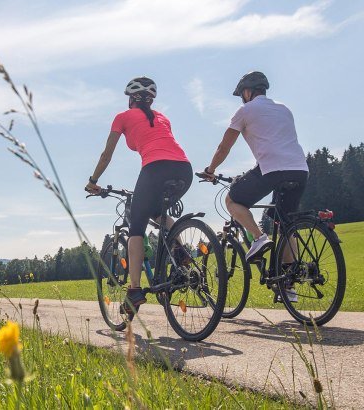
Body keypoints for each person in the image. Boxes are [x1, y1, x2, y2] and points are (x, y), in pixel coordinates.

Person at [85, 76, 193, 313]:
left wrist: (93, 181)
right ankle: (180, 251)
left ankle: (134, 290)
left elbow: (106, 155)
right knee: (158, 212)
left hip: (155, 169)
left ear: (131, 99)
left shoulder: (122, 117)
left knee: (136, 227)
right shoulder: (163, 117)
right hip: (185, 170)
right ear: (150, 99)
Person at [198, 71, 309, 271]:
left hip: (273, 170)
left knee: (232, 200)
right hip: (300, 169)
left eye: (242, 93)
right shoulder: (284, 109)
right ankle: (289, 281)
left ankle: (258, 238)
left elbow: (224, 147)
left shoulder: (246, 111)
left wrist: (210, 169)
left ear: (247, 92)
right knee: (284, 222)